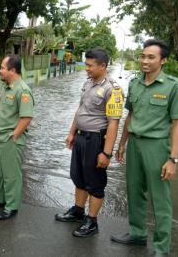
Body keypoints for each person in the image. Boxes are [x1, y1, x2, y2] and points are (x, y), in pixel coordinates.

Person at [111, 39, 178, 257]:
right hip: (134, 143)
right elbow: (130, 115)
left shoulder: (174, 86)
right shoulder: (134, 83)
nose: (145, 60)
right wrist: (122, 143)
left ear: (163, 60)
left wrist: (173, 159)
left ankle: (162, 248)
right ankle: (137, 233)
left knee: (160, 198)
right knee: (134, 191)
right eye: (143, 56)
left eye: (151, 57)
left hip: (157, 147)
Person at [55, 48, 123, 237]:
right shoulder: (87, 84)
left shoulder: (113, 89)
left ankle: (92, 222)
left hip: (96, 140)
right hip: (81, 137)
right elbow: (80, 110)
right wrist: (71, 133)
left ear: (103, 66)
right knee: (78, 176)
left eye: (90, 65)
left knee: (95, 182)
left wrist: (106, 153)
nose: (87, 68)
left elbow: (113, 123)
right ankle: (78, 211)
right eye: (86, 64)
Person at [0, 55, 34, 220]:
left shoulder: (22, 90)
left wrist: (14, 135)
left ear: (13, 70)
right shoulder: (5, 86)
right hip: (0, 136)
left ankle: (11, 206)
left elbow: (26, 118)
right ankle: (0, 198)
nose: (0, 70)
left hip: (10, 139)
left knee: (12, 174)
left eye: (3, 67)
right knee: (2, 172)